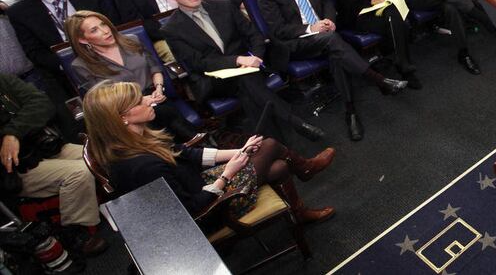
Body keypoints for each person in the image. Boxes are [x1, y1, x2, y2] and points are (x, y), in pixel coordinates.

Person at [83, 81, 334, 224]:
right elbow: (190, 210)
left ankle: (299, 208)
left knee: (277, 165)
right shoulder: (141, 166)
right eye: (140, 101)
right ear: (122, 118)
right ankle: (305, 169)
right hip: (210, 208)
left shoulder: (136, 139)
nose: (150, 100)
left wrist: (240, 150)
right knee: (270, 146)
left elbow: (185, 154)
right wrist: (227, 173)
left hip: (199, 184)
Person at [258, 0, 407, 141]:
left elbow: (326, 0)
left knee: (334, 49)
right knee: (332, 41)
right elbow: (278, 29)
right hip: (297, 41)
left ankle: (351, 111)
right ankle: (378, 80)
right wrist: (311, 27)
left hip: (325, 33)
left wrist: (328, 19)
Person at [162, 0, 324, 140]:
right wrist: (237, 60)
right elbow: (198, 63)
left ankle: (278, 146)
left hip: (249, 68)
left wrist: (257, 57)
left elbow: (254, 35)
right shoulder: (171, 29)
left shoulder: (223, 6)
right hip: (214, 79)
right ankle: (294, 122)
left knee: (247, 90)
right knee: (245, 81)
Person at [0, 74, 108, 257]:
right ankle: (75, 233)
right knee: (79, 172)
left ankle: (112, 208)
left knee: (101, 156)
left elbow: (42, 103)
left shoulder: (3, 80)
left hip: (41, 149)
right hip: (13, 169)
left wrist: (13, 133)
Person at [66, 11, 198, 141]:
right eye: (94, 30)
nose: (105, 31)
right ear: (82, 39)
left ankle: (189, 150)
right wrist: (140, 101)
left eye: (103, 24)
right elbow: (104, 100)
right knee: (162, 115)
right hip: (127, 108)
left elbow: (155, 69)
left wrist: (159, 88)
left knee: (163, 112)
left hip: (155, 95)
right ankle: (196, 145)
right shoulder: (81, 65)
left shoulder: (132, 40)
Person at [7, 0, 113, 77]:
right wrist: (67, 65)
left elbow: (114, 27)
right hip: (66, 70)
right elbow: (35, 52)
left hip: (108, 54)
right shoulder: (20, 12)